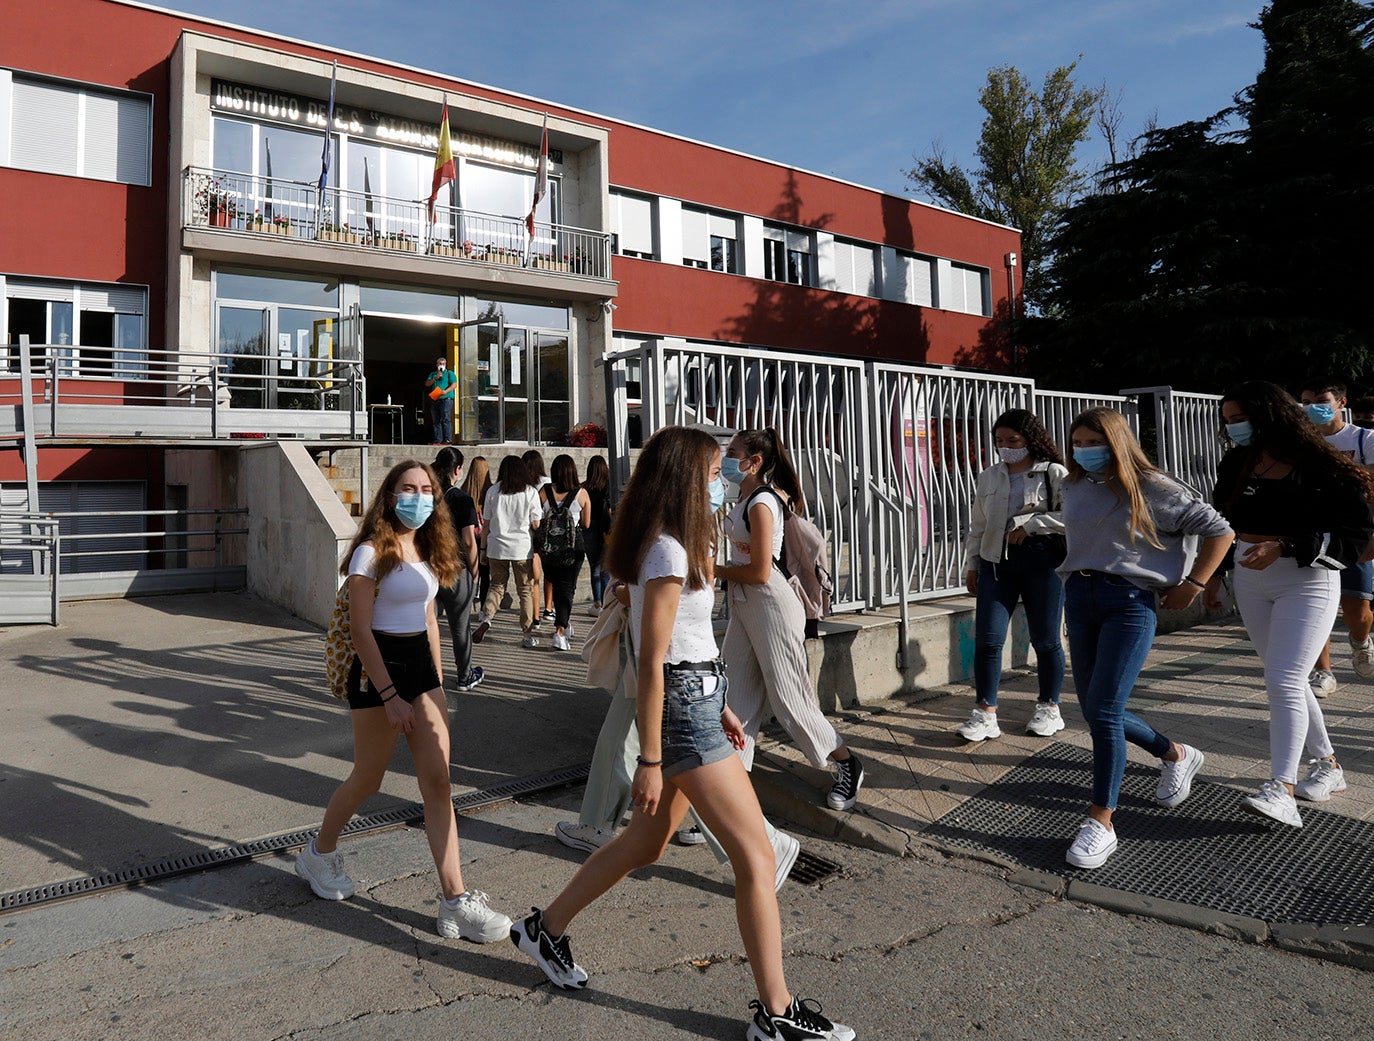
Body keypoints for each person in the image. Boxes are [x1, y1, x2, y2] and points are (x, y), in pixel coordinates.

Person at [508, 426, 855, 1041]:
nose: (724, 481)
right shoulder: (668, 550)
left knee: (645, 843)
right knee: (755, 855)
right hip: (681, 713)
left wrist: (718, 703)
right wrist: (649, 757)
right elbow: (651, 658)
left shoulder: (680, 544)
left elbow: (687, 647)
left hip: (696, 702)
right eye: (714, 471)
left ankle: (545, 929)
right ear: (685, 480)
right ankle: (776, 1014)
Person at [294, 459, 510, 941]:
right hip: (376, 673)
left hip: (419, 667)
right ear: (390, 496)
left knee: (439, 783)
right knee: (367, 779)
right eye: (408, 488)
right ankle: (318, 854)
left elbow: (429, 616)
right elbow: (360, 630)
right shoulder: (371, 552)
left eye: (426, 488)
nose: (419, 496)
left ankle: (455, 899)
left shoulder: (430, 544)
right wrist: (391, 696)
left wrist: (434, 684)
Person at [1058, 408, 1233, 870]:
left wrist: (1195, 583)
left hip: (1129, 601)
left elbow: (1221, 531)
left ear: (1116, 441)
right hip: (1079, 595)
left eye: (1092, 442)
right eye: (1076, 442)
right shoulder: (1073, 484)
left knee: (1104, 712)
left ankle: (1102, 821)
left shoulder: (1154, 487)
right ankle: (1175, 753)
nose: (1082, 451)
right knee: (1097, 708)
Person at [1206, 382, 1372, 826]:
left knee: (1283, 679)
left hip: (1309, 580)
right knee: (1288, 680)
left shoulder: (1322, 466)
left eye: (1239, 417)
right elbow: (1222, 522)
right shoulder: (1237, 463)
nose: (1233, 427)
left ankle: (1281, 788)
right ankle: (1329, 766)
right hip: (1250, 576)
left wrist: (1286, 546)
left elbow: (1356, 537)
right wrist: (1215, 576)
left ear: (1271, 415)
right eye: (1227, 420)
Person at [716, 428, 864, 814]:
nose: (726, 457)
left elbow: (762, 571)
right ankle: (726, 801)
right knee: (735, 699)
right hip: (747, 603)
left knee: (789, 699)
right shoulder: (745, 497)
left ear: (755, 461)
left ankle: (847, 763)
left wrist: (712, 569)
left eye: (733, 452)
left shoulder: (762, 502)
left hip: (770, 604)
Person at [959, 409, 1069, 742]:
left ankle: (1050, 707)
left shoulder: (1053, 472)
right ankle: (985, 712)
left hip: (1043, 562)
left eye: (1013, 440)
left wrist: (1033, 524)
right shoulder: (989, 476)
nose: (1005, 447)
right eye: (999, 441)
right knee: (989, 639)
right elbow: (978, 524)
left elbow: (1073, 515)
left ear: (1030, 439)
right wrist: (972, 563)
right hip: (996, 563)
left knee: (1046, 639)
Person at [1298, 378, 1374, 696]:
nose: (1313, 407)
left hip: (1354, 534)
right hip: (1313, 535)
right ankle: (1323, 671)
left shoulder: (1363, 438)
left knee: (1356, 609)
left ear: (1341, 403)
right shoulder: (1301, 443)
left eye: (1321, 399)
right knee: (1315, 606)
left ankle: (1360, 640)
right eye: (1306, 401)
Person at [474, 455, 541, 648]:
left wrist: (483, 550)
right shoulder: (530, 492)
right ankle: (527, 634)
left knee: (496, 586)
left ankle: (486, 618)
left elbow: (485, 525)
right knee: (525, 591)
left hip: (496, 547)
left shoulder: (493, 491)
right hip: (521, 548)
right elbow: (536, 523)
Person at [432, 448, 483, 692]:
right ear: (457, 469)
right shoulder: (462, 499)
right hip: (456, 570)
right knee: (460, 626)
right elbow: (469, 540)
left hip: (429, 568)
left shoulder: (429, 496)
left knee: (427, 625)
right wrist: (475, 570)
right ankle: (465, 675)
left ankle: (430, 675)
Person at [541, 454, 592, 652]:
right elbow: (586, 524)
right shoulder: (581, 494)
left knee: (555, 583)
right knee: (568, 587)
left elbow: (536, 519)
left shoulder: (543, 492)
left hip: (549, 547)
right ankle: (560, 631)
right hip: (573, 547)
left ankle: (564, 622)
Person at [523, 449, 553, 626]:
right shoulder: (547, 483)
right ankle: (549, 608)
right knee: (549, 574)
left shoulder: (522, 484)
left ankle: (535, 617)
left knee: (534, 578)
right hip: (547, 532)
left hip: (530, 534)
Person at [583, 455, 613, 614]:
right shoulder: (608, 486)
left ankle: (597, 603)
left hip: (589, 528)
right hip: (605, 529)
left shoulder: (585, 487)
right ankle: (605, 603)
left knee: (594, 566)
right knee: (605, 569)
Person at [461, 456, 492, 610]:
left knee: (469, 572)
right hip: (486, 538)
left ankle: (466, 603)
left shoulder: (464, 491)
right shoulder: (491, 491)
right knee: (486, 574)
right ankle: (483, 609)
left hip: (468, 536)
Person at [424, 356, 456, 445]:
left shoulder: (450, 373)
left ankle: (448, 439)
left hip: (446, 399)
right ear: (437, 365)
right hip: (435, 399)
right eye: (440, 364)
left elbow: (454, 385)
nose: (441, 365)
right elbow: (427, 383)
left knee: (446, 418)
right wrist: (435, 378)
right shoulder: (433, 374)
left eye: (443, 364)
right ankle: (438, 440)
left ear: (445, 365)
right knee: (436, 420)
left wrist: (445, 391)